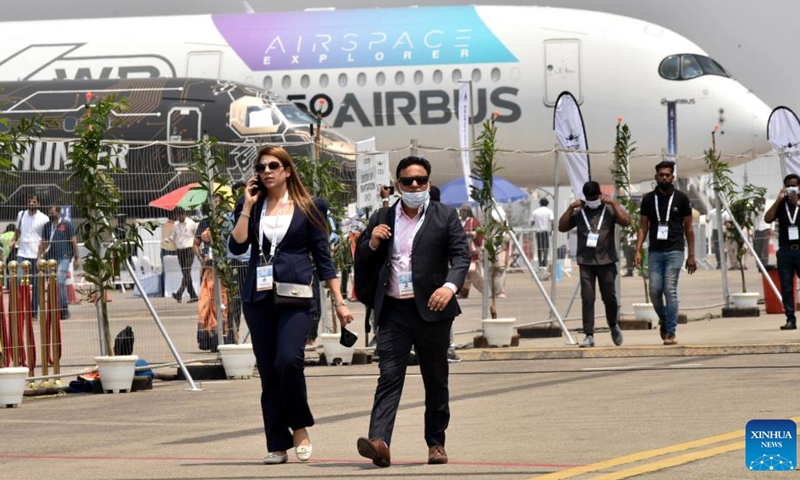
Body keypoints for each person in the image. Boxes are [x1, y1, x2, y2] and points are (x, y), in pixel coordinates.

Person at [229, 145, 354, 465]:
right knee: (269, 372)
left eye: (273, 165)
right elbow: (237, 245)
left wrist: (339, 302)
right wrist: (246, 205)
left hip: (296, 296)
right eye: (261, 167)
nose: (266, 171)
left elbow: (324, 259)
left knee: (288, 362)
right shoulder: (252, 206)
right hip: (258, 298)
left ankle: (299, 427)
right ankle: (276, 443)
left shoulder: (310, 206)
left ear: (287, 170)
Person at [355, 156, 470, 468]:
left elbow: (461, 256)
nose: (415, 186)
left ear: (429, 183)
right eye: (408, 181)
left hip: (433, 310)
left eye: (420, 180)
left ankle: (436, 443)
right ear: (398, 185)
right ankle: (379, 442)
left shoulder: (445, 216)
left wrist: (449, 287)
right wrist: (374, 243)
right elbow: (362, 257)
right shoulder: (382, 216)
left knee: (435, 379)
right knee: (389, 376)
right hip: (394, 311)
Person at [558, 181, 630, 348]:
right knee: (588, 298)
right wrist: (570, 208)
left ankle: (613, 324)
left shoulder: (609, 210)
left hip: (607, 260)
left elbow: (627, 221)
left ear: (600, 195)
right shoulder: (579, 212)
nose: (592, 201)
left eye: (594, 197)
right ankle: (589, 334)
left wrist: (613, 202)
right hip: (586, 262)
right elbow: (562, 227)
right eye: (588, 198)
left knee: (609, 297)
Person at [634, 161, 696, 346]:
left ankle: (670, 332)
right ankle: (664, 318)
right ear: (656, 177)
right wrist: (637, 250)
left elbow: (689, 228)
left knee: (670, 290)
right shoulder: (648, 199)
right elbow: (643, 227)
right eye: (661, 175)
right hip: (655, 251)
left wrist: (691, 255)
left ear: (673, 177)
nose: (664, 178)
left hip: (675, 250)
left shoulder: (682, 198)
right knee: (654, 290)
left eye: (667, 175)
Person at [764, 173, 800, 330]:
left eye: (794, 185)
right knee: (786, 286)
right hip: (785, 251)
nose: (792, 188)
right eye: (789, 186)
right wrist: (778, 200)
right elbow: (767, 218)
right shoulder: (781, 204)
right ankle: (790, 318)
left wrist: (798, 204)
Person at [10, 194, 49, 319]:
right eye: (29, 201)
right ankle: (20, 309)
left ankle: (33, 312)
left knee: (37, 284)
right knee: (19, 280)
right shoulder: (21, 214)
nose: (31, 203)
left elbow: (45, 238)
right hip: (22, 253)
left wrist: (42, 254)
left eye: (34, 201)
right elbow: (18, 230)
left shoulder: (44, 218)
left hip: (36, 255)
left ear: (39, 204)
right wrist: (13, 240)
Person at [38, 206, 80, 320]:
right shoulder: (47, 226)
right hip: (51, 258)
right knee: (53, 282)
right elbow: (43, 242)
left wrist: (77, 257)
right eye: (49, 213)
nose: (51, 215)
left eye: (52, 213)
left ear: (58, 213)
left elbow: (73, 240)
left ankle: (63, 308)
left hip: (64, 256)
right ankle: (55, 307)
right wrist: (39, 256)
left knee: (60, 279)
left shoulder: (66, 224)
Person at [168, 206, 198, 303]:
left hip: (189, 249)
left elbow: (197, 235)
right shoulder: (176, 225)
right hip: (180, 250)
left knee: (186, 271)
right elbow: (173, 236)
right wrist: (169, 240)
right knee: (186, 273)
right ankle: (193, 295)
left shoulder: (191, 224)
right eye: (177, 216)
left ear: (184, 214)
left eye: (180, 215)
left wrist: (198, 248)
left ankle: (179, 293)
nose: (179, 217)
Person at [457, 203, 483, 299]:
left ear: (468, 212)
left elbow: (480, 232)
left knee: (472, 270)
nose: (462, 212)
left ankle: (484, 288)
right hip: (460, 250)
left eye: (464, 210)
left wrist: (473, 233)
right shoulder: (457, 221)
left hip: (472, 249)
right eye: (461, 210)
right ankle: (464, 292)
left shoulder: (473, 221)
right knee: (463, 272)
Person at [531, 198, 554, 268]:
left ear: (540, 203)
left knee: (539, 247)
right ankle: (545, 261)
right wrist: (552, 230)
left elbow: (532, 222)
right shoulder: (549, 211)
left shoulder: (535, 212)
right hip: (546, 231)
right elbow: (552, 221)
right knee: (546, 247)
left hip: (538, 231)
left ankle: (540, 262)